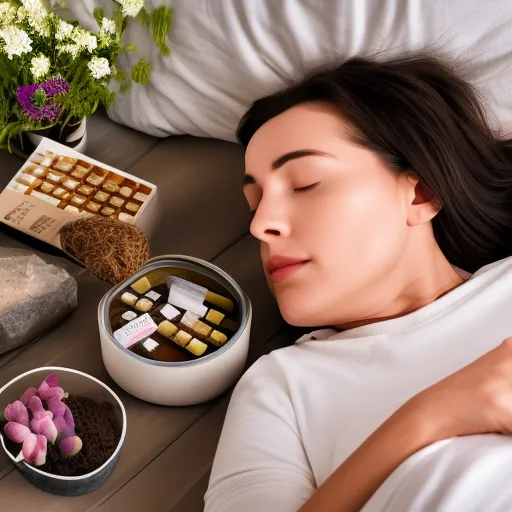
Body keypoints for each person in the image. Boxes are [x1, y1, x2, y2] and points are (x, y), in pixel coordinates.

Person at [204, 53, 512, 512]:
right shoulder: (282, 387)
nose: (260, 225)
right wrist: (430, 416)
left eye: (305, 182)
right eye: (255, 204)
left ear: (420, 193)